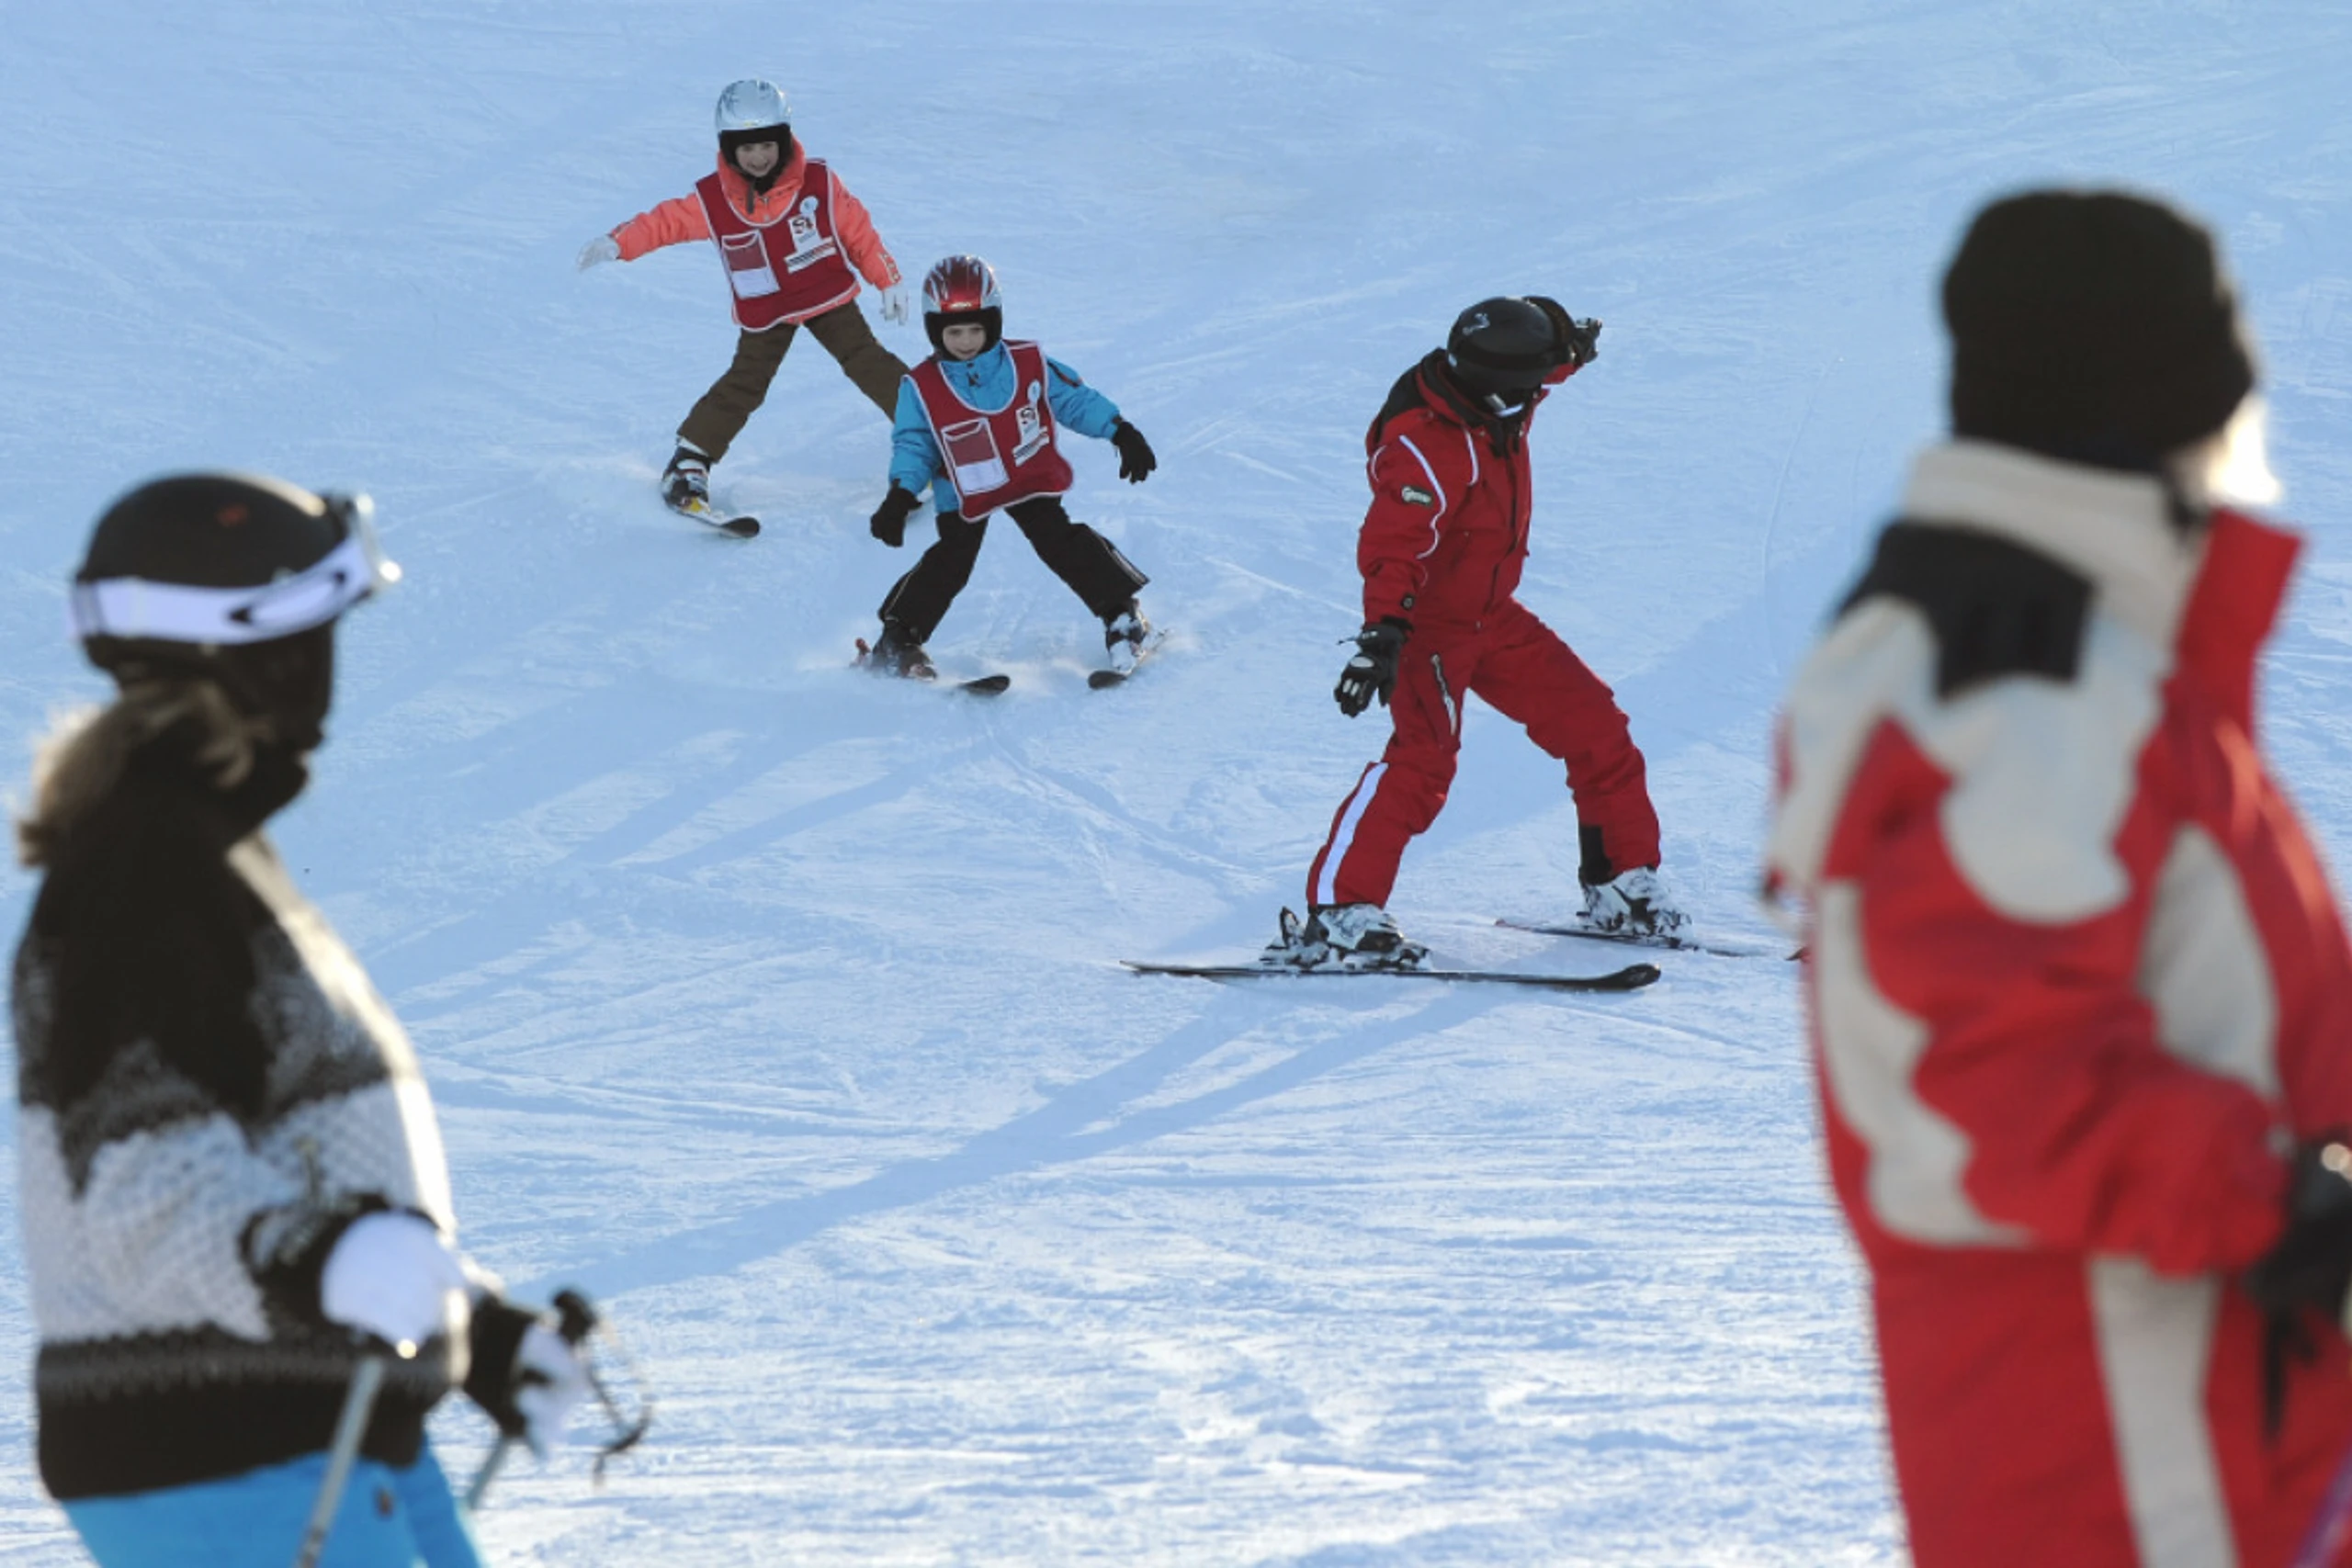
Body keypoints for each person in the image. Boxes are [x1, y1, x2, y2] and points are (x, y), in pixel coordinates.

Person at [1764, 188, 2352, 1567]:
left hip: (2218, 1412)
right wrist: (2292, 1201)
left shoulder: (2087, 654)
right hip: (2126, 1445)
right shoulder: (2020, 686)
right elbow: (1995, 1071)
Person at [12, 474, 591, 1567]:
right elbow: (144, 1192)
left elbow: (301, 1178)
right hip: (227, 1460)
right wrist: (324, 1266)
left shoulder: (205, 855)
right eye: (318, 631)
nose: (329, 664)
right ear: (246, 649)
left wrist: (475, 1337)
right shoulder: (145, 871)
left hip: (325, 1433)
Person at [1277, 297, 1679, 968]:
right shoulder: (1426, 444)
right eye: (1530, 385)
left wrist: (1568, 342)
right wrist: (1383, 633)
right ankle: (1339, 913)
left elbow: (1542, 368)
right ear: (1495, 384)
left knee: (1596, 726)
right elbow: (1393, 544)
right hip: (1427, 628)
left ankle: (1618, 883)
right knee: (1422, 764)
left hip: (1493, 616)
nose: (1537, 397)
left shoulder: (1496, 396)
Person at [577, 78, 911, 514]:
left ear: (784, 141)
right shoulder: (714, 200)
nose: (757, 157)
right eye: (745, 149)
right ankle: (691, 461)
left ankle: (930, 433)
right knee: (746, 382)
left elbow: (859, 233)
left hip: (824, 294)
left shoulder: (819, 185)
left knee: (867, 361)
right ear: (728, 149)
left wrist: (887, 279)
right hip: (767, 311)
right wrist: (620, 242)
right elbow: (667, 222)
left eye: (767, 146)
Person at [860, 254, 1157, 680]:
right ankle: (898, 640)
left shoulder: (1026, 362)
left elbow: (1073, 400)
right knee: (951, 561)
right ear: (934, 330)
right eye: (954, 331)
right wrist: (901, 493)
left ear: (994, 324)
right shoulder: (922, 387)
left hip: (1026, 478)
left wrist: (1119, 430)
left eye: (976, 329)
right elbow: (914, 444)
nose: (965, 341)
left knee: (1061, 541)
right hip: (963, 491)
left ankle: (1123, 618)